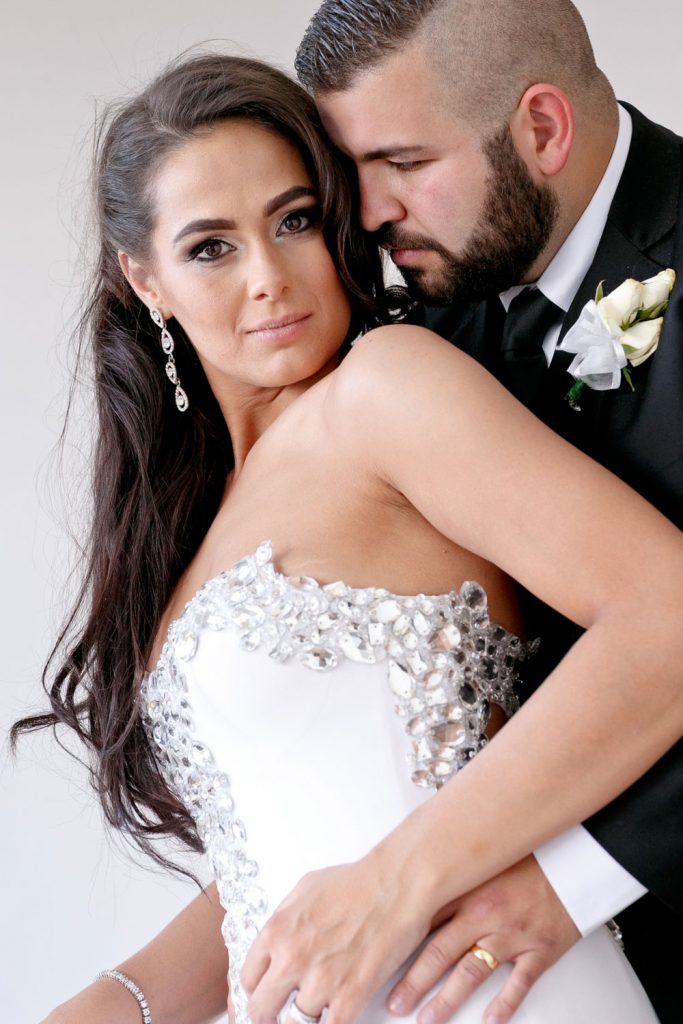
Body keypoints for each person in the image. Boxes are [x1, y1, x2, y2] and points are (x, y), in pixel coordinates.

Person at [23, 45, 683, 1024]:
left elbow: (668, 611)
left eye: (293, 220)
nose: (268, 277)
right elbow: (289, 855)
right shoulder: (201, 514)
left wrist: (395, 879)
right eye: (210, 247)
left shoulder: (387, 388)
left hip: (496, 996)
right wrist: (121, 1002)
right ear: (144, 279)